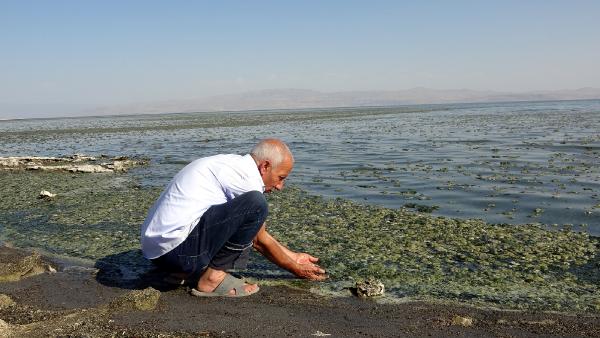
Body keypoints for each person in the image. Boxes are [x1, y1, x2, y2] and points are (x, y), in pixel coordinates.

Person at [141, 138, 327, 297]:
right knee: (257, 204)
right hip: (175, 253)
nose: (280, 186)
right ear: (265, 166)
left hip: (158, 254)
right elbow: (259, 240)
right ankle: (212, 279)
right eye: (281, 177)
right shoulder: (246, 179)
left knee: (252, 207)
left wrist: (293, 256)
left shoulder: (231, 165)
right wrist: (295, 269)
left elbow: (258, 233)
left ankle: (181, 271)